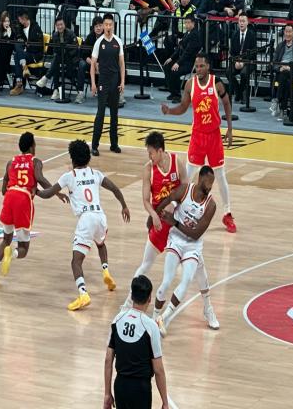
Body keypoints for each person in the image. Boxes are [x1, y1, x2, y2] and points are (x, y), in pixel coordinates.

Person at [37, 139, 130, 310]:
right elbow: (115, 189)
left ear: (72, 159)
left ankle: (83, 294)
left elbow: (48, 193)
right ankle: (106, 271)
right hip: (100, 217)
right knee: (100, 244)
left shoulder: (69, 176)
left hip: (86, 219)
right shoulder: (96, 173)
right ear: (88, 158)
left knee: (76, 262)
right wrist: (124, 206)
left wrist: (34, 191)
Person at [161, 52, 237, 234]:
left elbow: (227, 103)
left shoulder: (216, 83)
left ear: (208, 66)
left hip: (214, 135)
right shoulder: (190, 84)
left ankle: (227, 213)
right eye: (197, 66)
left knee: (220, 176)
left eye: (202, 66)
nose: (199, 69)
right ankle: (174, 207)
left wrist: (229, 128)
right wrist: (169, 111)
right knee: (187, 176)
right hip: (198, 136)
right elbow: (183, 107)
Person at [0, 132, 68, 287]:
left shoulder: (11, 162)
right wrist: (57, 193)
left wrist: (7, 191)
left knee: (6, 239)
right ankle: (12, 254)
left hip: (9, 197)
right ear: (32, 146)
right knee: (23, 247)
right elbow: (41, 179)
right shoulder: (35, 161)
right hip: (23, 199)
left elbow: (5, 182)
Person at [122, 131, 187, 309]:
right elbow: (145, 200)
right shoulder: (148, 169)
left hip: (178, 222)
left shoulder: (177, 162)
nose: (149, 157)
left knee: (193, 265)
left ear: (160, 151)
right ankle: (128, 303)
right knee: (145, 265)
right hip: (160, 222)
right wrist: (153, 215)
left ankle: (206, 305)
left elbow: (186, 188)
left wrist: (174, 203)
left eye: (151, 153)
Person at [153, 165, 218, 335]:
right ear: (200, 178)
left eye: (212, 183)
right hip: (176, 239)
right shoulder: (184, 190)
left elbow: (196, 234)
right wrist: (153, 216)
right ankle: (154, 317)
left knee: (187, 280)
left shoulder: (211, 205)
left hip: (193, 245)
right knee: (167, 280)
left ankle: (163, 317)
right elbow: (166, 202)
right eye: (208, 182)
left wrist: (174, 222)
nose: (210, 186)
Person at [104, 275, 169, 409]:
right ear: (150, 298)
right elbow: (158, 370)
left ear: (132, 296)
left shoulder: (117, 320)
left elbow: (108, 360)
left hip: (120, 386)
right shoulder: (151, 326)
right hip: (141, 390)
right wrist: (165, 402)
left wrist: (107, 393)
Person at [90, 13, 125, 157]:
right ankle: (94, 145)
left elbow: (122, 64)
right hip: (103, 81)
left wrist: (122, 81)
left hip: (115, 81)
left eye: (110, 24)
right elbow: (93, 64)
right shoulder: (99, 42)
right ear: (103, 26)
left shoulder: (118, 41)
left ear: (113, 26)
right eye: (106, 24)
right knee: (101, 113)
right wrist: (93, 83)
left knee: (114, 114)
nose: (108, 27)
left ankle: (114, 144)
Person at [35, 15, 78, 101]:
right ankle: (56, 90)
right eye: (58, 25)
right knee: (56, 62)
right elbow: (55, 50)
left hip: (70, 59)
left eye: (61, 24)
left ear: (64, 25)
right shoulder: (54, 35)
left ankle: (47, 79)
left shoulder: (70, 34)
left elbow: (75, 49)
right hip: (59, 58)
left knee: (56, 59)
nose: (60, 27)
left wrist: (64, 52)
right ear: (56, 26)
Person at [163, 13, 201, 103]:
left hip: (190, 63)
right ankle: (172, 92)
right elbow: (179, 48)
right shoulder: (187, 33)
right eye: (185, 23)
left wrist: (178, 63)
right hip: (182, 60)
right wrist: (171, 58)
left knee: (174, 71)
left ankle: (177, 95)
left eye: (188, 23)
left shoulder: (195, 35)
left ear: (193, 23)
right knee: (167, 66)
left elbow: (188, 52)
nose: (186, 25)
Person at [10, 9, 44, 96]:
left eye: (20, 19)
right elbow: (19, 40)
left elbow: (39, 47)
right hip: (25, 54)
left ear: (24, 19)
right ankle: (24, 67)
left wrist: (27, 47)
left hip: (35, 55)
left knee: (17, 56)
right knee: (17, 47)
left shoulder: (36, 28)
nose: (19, 22)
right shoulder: (20, 28)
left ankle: (19, 84)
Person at [226, 13, 257, 104]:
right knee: (228, 72)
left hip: (249, 62)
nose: (241, 23)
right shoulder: (234, 34)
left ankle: (242, 94)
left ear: (247, 22)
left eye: (243, 21)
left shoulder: (252, 35)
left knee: (244, 73)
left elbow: (253, 53)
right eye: (240, 21)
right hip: (237, 61)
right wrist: (236, 61)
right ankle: (238, 91)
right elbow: (232, 52)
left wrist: (243, 62)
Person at [75, 15, 104, 104]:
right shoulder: (90, 37)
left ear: (103, 26)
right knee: (82, 64)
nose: (98, 28)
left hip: (104, 63)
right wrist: (93, 63)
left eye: (100, 25)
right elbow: (84, 55)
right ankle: (80, 92)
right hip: (92, 63)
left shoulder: (107, 37)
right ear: (93, 28)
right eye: (96, 26)